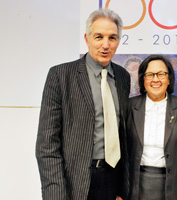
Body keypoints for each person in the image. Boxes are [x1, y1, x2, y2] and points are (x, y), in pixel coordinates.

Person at [36, 9, 130, 200]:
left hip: (111, 179)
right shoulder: (60, 75)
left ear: (118, 41)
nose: (106, 44)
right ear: (87, 39)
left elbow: (121, 133)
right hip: (73, 182)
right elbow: (47, 144)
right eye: (99, 37)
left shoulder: (123, 77)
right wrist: (55, 193)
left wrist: (121, 188)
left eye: (112, 37)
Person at [127, 55, 177, 200]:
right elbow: (121, 150)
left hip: (171, 183)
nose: (156, 79)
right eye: (150, 74)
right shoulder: (129, 106)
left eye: (161, 74)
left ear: (169, 79)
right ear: (143, 79)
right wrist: (119, 190)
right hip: (135, 183)